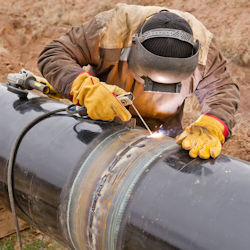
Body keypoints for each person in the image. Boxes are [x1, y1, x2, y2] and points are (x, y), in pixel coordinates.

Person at [37, 3, 239, 159]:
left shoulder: (205, 50)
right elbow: (55, 53)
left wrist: (213, 124)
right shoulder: (110, 30)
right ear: (133, 46)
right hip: (100, 125)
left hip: (161, 134)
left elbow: (223, 91)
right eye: (148, 79)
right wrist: (83, 87)